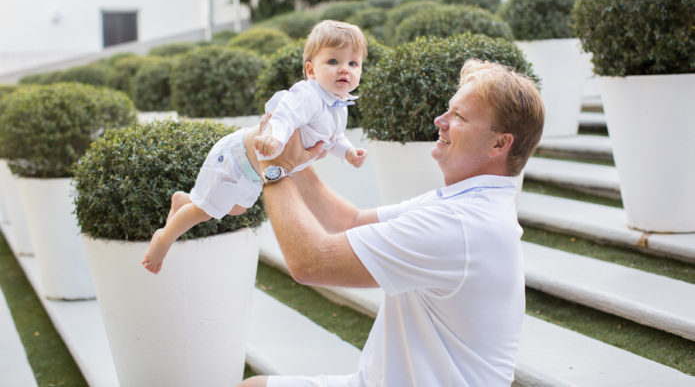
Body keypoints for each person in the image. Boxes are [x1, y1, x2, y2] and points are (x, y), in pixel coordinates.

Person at [239, 59, 545, 387]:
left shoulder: (460, 224)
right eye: (449, 109)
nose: (439, 121)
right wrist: (291, 155)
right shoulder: (467, 204)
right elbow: (348, 220)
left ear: (500, 144)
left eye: (459, 116)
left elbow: (310, 262)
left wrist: (272, 165)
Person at [141, 19, 369, 275]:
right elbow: (284, 117)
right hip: (236, 157)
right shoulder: (308, 95)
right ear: (311, 70)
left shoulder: (338, 106)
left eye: (353, 63)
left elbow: (334, 138)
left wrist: (348, 152)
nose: (344, 70)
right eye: (333, 62)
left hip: (254, 172)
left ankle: (182, 200)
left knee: (237, 209)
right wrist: (275, 138)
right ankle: (163, 238)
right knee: (205, 211)